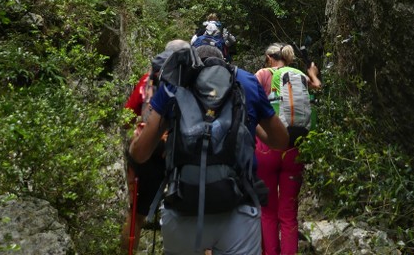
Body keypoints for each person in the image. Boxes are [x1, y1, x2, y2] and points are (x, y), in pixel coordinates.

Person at [129, 42, 289, 255]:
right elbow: (280, 140)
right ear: (224, 64)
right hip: (238, 212)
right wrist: (249, 122)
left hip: (183, 210)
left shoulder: (175, 82)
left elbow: (140, 154)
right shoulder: (246, 82)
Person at [254, 43, 321, 255]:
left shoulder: (263, 74)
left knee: (267, 212)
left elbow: (248, 101)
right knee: (289, 214)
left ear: (268, 57)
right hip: (295, 148)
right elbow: (317, 86)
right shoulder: (299, 75)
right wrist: (312, 73)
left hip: (268, 147)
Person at [119, 44, 179, 254]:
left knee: (136, 213)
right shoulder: (187, 81)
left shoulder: (147, 80)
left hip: (144, 148)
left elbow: (127, 117)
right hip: (174, 150)